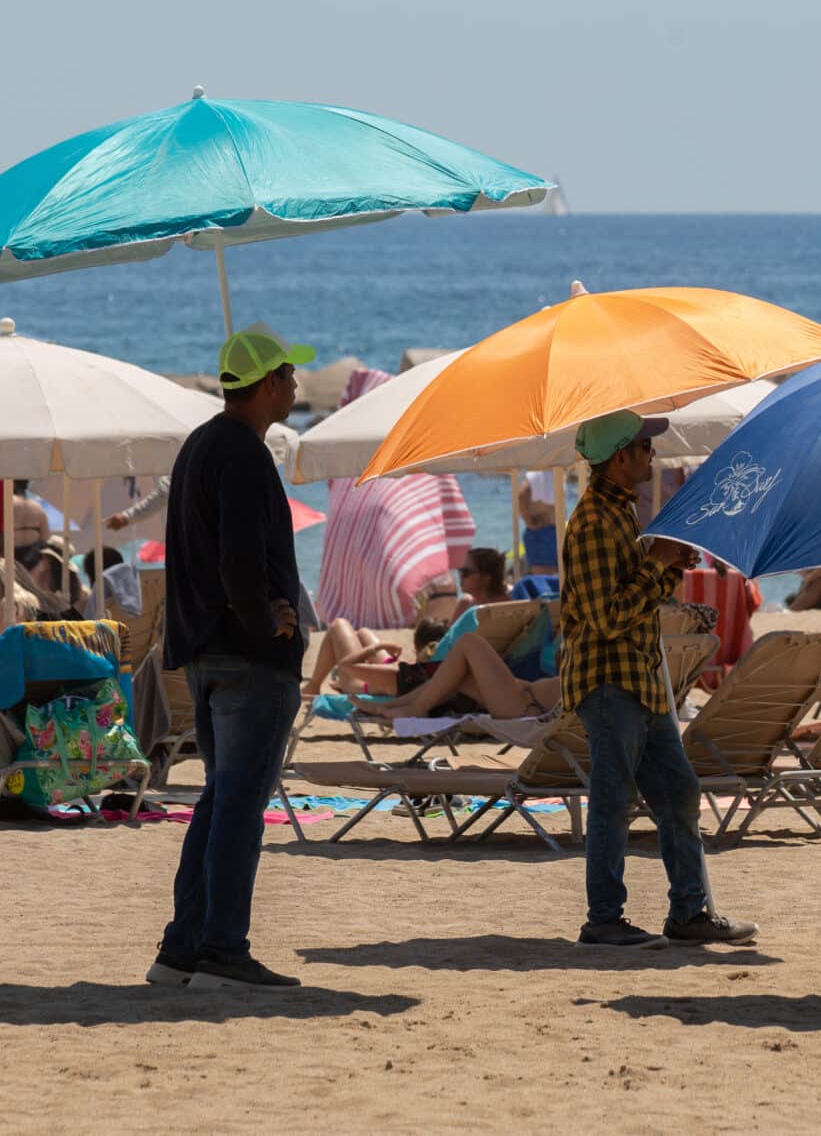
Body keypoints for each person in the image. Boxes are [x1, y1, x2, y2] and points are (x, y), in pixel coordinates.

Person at [153, 325, 314, 992]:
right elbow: (241, 556)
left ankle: (182, 948)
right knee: (240, 805)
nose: (298, 386)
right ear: (268, 383)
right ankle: (221, 947)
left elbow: (204, 554)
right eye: (290, 376)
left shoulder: (198, 445)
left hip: (206, 651)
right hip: (248, 656)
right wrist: (265, 617)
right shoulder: (244, 452)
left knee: (221, 801)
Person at [561, 409, 753, 949]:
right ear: (619, 457)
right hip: (611, 683)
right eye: (644, 448)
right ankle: (604, 918)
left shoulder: (617, 515)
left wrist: (663, 562)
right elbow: (607, 617)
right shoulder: (597, 522)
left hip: (637, 682)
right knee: (613, 800)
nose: (652, 455)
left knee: (678, 793)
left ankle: (688, 912)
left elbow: (629, 602)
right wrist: (657, 563)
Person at [348, 631, 559, 720]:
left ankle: (418, 707)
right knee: (459, 677)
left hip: (523, 705)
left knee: (469, 642)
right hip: (524, 698)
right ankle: (385, 708)